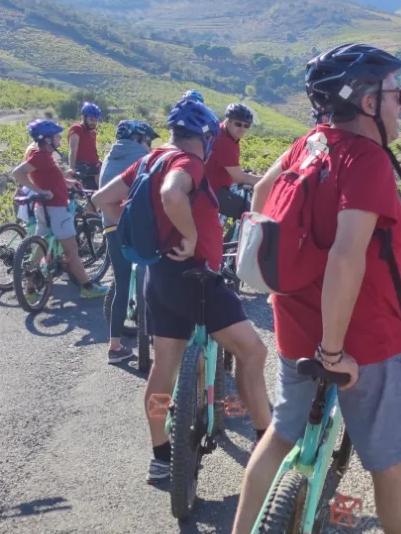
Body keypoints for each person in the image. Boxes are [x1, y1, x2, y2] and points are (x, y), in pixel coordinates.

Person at [211, 43, 401, 534]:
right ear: (367, 101)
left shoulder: (307, 145)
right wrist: (334, 349)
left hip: (293, 326)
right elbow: (348, 257)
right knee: (390, 462)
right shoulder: (366, 162)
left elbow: (259, 196)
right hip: (362, 340)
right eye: (396, 93)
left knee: (280, 435)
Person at [93, 99, 272, 484]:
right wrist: (189, 236)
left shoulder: (148, 159)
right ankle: (264, 445)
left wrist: (139, 237)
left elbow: (101, 200)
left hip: (158, 276)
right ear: (206, 136)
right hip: (197, 279)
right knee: (253, 351)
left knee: (163, 369)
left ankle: (160, 456)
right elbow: (174, 195)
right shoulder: (186, 163)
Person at [12, 119, 110, 300]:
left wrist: (67, 182)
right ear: (47, 140)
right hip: (56, 209)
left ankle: (31, 291)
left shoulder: (45, 157)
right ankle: (87, 287)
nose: (59, 139)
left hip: (44, 208)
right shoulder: (40, 156)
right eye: (56, 136)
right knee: (72, 252)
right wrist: (40, 191)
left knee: (39, 249)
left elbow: (49, 178)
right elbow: (18, 173)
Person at [98, 119, 159, 364]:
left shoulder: (108, 158)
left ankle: (114, 347)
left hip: (110, 225)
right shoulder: (144, 160)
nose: (150, 146)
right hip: (139, 226)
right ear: (137, 139)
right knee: (156, 276)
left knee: (121, 285)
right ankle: (159, 336)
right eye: (148, 141)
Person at [204, 102, 262, 219]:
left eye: (246, 126)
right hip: (212, 192)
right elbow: (239, 178)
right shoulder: (225, 143)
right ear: (228, 121)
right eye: (238, 124)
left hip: (209, 185)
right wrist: (269, 181)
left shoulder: (222, 131)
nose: (242, 129)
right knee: (252, 210)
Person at [68, 102, 103, 189]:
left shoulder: (92, 132)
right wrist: (72, 168)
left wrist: (98, 162)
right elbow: (73, 150)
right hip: (83, 167)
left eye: (96, 120)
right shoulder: (77, 129)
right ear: (83, 117)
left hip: (93, 166)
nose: (94, 123)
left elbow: (92, 151)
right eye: (91, 119)